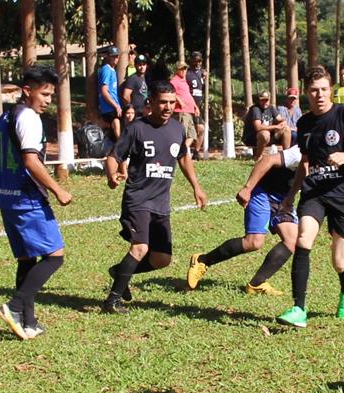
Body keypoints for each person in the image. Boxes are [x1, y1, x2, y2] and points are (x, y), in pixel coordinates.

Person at [276, 65, 344, 328]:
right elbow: (305, 163)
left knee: (339, 261)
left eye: (323, 89)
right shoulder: (304, 123)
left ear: (330, 90)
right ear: (306, 93)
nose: (319, 95)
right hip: (315, 192)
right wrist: (291, 195)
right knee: (303, 239)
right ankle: (299, 308)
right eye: (314, 90)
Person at [0, 66, 72, 340]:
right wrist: (58, 189)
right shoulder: (30, 119)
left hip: (8, 197)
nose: (48, 100)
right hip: (27, 198)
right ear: (27, 91)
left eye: (51, 95)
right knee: (55, 256)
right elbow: (31, 161)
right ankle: (15, 305)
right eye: (44, 94)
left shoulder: (6, 116)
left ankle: (28, 322)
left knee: (26, 258)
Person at [103, 80, 207, 314]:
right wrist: (111, 175)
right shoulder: (137, 128)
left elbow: (183, 157)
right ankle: (112, 301)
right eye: (163, 102)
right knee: (140, 248)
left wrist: (196, 187)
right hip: (138, 199)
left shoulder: (177, 129)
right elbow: (113, 156)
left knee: (162, 259)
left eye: (172, 102)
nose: (168, 107)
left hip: (161, 203)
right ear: (151, 102)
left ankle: (120, 271)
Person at [187, 146, 302, 295]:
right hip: (262, 191)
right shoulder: (302, 151)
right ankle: (202, 260)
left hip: (283, 197)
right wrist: (247, 188)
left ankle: (256, 284)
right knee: (253, 242)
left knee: (292, 241)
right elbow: (267, 160)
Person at [242, 90, 290, 161]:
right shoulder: (255, 109)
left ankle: (286, 156)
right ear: (259, 100)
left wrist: (283, 122)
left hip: (268, 137)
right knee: (265, 133)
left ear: (269, 100)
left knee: (287, 129)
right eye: (262, 100)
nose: (264, 102)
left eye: (266, 100)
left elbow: (279, 118)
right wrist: (276, 127)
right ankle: (258, 157)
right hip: (253, 138)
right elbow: (258, 127)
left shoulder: (271, 108)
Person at [170, 61, 199, 153]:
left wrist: (195, 106)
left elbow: (188, 95)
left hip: (189, 111)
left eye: (185, 69)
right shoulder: (174, 80)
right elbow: (171, 92)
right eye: (181, 69)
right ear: (177, 70)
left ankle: (182, 151)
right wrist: (179, 101)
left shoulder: (184, 82)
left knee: (192, 135)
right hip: (181, 111)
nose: (184, 71)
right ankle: (178, 152)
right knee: (182, 134)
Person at [186, 51, 207, 160]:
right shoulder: (187, 74)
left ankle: (196, 152)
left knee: (201, 129)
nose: (198, 63)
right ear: (192, 61)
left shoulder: (202, 73)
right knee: (196, 129)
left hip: (198, 105)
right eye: (196, 61)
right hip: (189, 105)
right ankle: (185, 151)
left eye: (200, 61)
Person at [98, 45, 122, 140]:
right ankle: (120, 144)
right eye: (113, 56)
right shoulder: (106, 70)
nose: (115, 58)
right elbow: (104, 91)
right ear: (108, 56)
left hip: (113, 104)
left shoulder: (113, 70)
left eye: (117, 56)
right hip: (109, 106)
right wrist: (115, 106)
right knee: (115, 121)